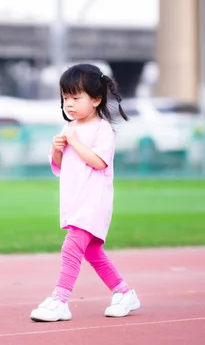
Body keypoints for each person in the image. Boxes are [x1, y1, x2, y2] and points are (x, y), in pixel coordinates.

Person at [30, 63, 141, 322]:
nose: (69, 104)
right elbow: (58, 165)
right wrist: (58, 148)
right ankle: (124, 292)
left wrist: (75, 142)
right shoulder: (69, 128)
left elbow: (99, 162)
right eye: (65, 97)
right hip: (74, 201)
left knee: (71, 248)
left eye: (76, 97)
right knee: (92, 253)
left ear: (96, 99)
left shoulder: (102, 129)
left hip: (93, 202)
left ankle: (60, 300)